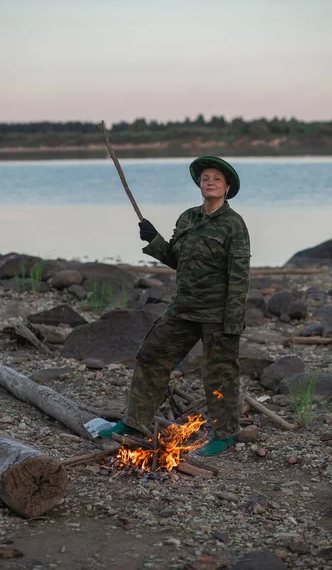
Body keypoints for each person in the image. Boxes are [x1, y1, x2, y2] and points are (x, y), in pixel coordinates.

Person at [100, 156, 250, 456]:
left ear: (227, 187)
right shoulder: (187, 218)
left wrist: (233, 321)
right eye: (205, 178)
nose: (210, 182)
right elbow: (176, 260)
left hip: (217, 315)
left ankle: (224, 434)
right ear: (199, 184)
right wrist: (154, 240)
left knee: (219, 374)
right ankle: (133, 422)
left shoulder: (234, 225)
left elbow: (239, 275)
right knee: (151, 355)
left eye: (216, 179)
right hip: (182, 309)